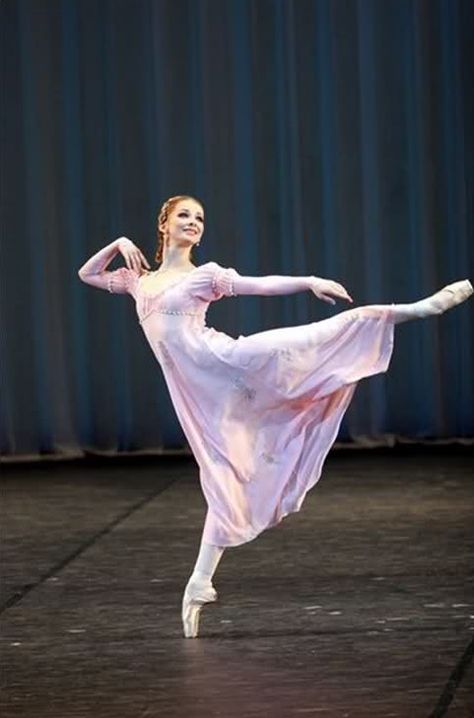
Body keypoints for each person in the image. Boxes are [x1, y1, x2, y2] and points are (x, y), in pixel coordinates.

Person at [78, 194, 473, 638]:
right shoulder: (139, 281)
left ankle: (418, 309)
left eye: (201, 218)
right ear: (164, 224)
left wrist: (309, 280)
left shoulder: (205, 276)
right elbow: (88, 274)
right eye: (185, 215)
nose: (194, 222)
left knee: (307, 342)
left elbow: (259, 284)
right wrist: (117, 242)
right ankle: (198, 583)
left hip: (227, 363)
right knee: (224, 476)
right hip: (201, 394)